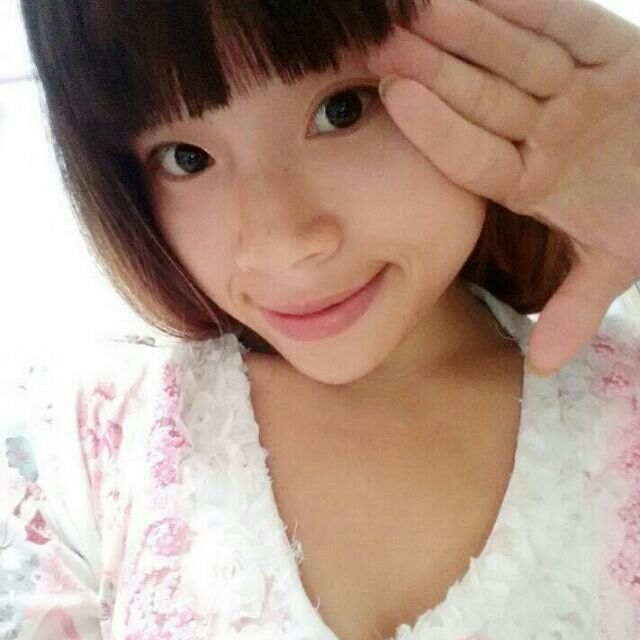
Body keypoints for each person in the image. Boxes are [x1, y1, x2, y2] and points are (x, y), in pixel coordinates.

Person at [1, 1, 639, 639]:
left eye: (343, 110)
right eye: (186, 157)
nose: (281, 244)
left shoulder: (624, 410)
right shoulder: (85, 450)